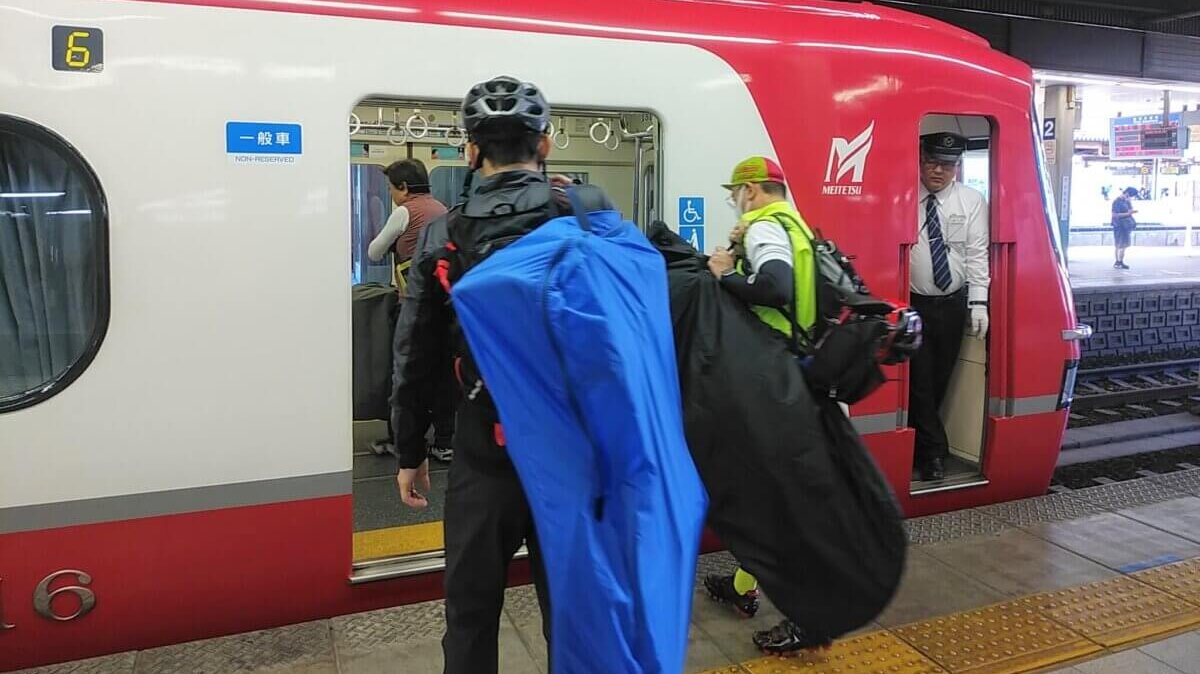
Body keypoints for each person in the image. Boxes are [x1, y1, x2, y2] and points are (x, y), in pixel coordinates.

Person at [389, 75, 600, 674]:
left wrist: (410, 450)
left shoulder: (443, 234)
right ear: (545, 144)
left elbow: (415, 354)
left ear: (470, 150)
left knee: (471, 618)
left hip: (483, 455)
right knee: (576, 619)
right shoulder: (586, 216)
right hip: (572, 456)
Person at [702, 156, 826, 654]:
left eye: (736, 193)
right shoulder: (795, 225)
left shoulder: (764, 226)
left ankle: (811, 618)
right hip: (791, 370)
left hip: (773, 377)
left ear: (751, 190)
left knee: (782, 501)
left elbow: (775, 286)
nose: (736, 201)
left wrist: (723, 274)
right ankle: (743, 586)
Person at [909, 132, 990, 482]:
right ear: (920, 161)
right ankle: (933, 454)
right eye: (931, 162)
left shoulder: (971, 201)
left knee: (939, 379)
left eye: (947, 164)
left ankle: (921, 445)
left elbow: (977, 254)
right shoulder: (905, 196)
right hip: (913, 303)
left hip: (953, 304)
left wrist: (979, 302)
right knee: (920, 381)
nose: (938, 171)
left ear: (957, 166)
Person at [367, 159, 454, 461]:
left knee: (405, 375)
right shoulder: (442, 209)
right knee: (443, 374)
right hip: (444, 305)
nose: (391, 194)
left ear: (403, 187)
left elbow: (374, 252)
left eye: (391, 188)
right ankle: (444, 442)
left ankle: (401, 441)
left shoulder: (405, 211)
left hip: (412, 306)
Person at [1111, 186, 1138, 270]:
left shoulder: (1126, 201)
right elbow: (1114, 215)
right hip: (1119, 225)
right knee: (1120, 244)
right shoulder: (1117, 201)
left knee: (1122, 245)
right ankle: (1118, 262)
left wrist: (1130, 204)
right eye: (1131, 196)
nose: (1131, 198)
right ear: (1127, 193)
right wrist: (1127, 214)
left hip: (1125, 226)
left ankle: (1119, 261)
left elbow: (1130, 210)